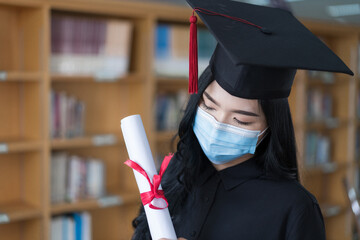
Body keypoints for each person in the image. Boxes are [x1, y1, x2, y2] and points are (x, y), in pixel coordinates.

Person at [130, 0, 354, 239]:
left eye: (241, 121)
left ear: (269, 128)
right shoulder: (176, 175)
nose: (218, 124)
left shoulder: (294, 207)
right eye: (209, 105)